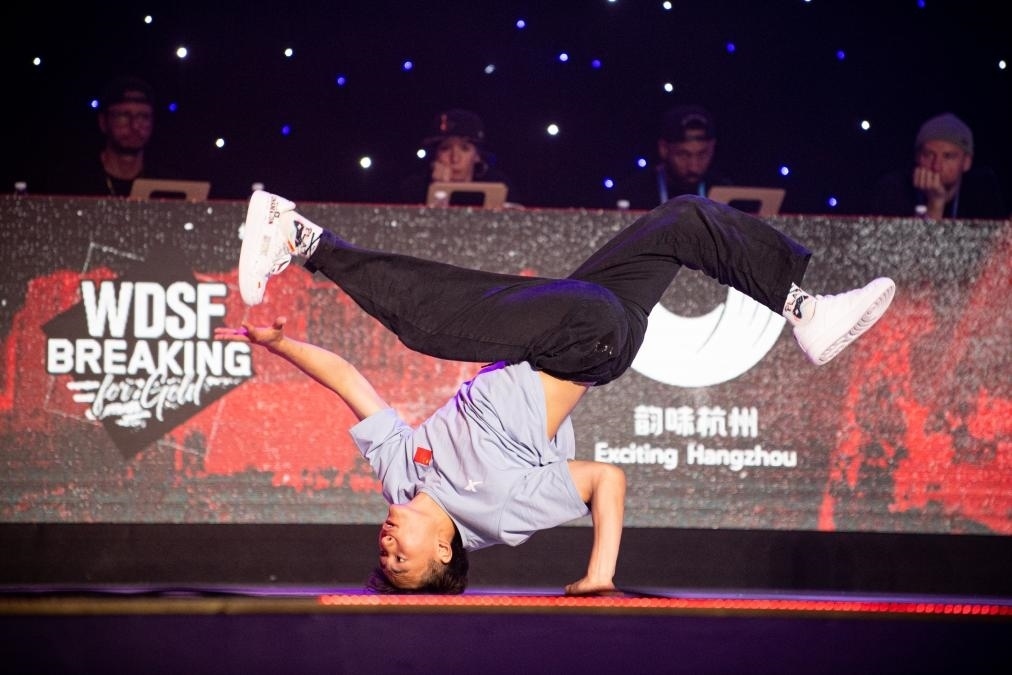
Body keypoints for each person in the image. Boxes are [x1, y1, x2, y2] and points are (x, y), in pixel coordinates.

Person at [217, 190, 896, 595]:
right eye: (401, 560)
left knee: (684, 220)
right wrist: (600, 573)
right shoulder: (496, 517)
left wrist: (279, 345)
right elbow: (606, 479)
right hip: (584, 346)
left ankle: (806, 309)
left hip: (577, 324)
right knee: (430, 322)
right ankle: (304, 239)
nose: (387, 545)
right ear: (445, 553)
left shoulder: (399, 476)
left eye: (382, 556)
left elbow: (349, 380)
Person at [44, 75, 178, 197]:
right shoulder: (74, 180)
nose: (135, 126)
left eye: (143, 117)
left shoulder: (167, 184)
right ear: (103, 122)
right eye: (123, 116)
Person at [871, 112, 1007, 219]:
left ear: (966, 162)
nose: (936, 166)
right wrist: (935, 204)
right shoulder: (892, 189)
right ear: (917, 157)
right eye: (928, 155)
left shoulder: (982, 191)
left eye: (948, 156)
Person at [611, 104, 734, 210]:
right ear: (664, 149)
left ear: (713, 148)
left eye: (702, 155)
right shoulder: (635, 193)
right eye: (683, 155)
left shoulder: (727, 193)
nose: (693, 167)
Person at [396, 108, 514, 205]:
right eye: (445, 148)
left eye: (464, 148)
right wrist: (440, 190)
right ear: (435, 154)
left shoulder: (499, 185)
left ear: (477, 155)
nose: (455, 158)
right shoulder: (414, 189)